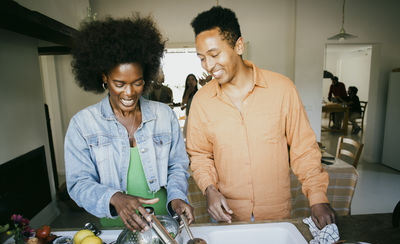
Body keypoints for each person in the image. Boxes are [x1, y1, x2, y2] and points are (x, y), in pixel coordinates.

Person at [186, 6, 335, 229]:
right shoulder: (201, 101)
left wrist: (317, 198)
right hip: (227, 215)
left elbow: (303, 149)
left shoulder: (283, 89)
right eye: (202, 58)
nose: (208, 66)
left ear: (239, 45)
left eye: (214, 55)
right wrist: (209, 189)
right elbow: (200, 155)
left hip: (277, 214)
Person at [65, 15, 194, 232]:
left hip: (164, 224)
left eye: (137, 83)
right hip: (115, 229)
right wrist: (115, 197)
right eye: (119, 83)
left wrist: (177, 198)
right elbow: (79, 183)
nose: (129, 92)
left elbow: (177, 166)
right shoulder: (83, 124)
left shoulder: (164, 116)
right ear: (104, 77)